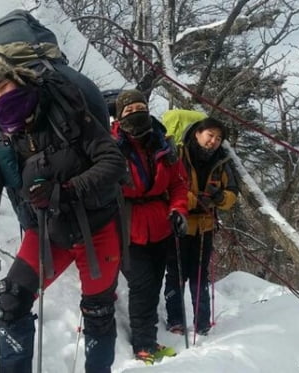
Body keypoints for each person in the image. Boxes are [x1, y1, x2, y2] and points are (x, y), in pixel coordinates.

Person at [0, 55, 126, 373]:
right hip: (47, 232)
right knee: (10, 305)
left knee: (98, 312)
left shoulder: (66, 113)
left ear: (19, 80)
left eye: (2, 86)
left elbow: (112, 161)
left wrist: (66, 190)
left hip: (96, 228)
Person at [110, 89, 189, 364]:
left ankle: (149, 338)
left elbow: (178, 183)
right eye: (129, 110)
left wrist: (179, 210)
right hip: (128, 226)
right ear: (119, 116)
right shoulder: (110, 145)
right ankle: (143, 344)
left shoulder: (163, 143)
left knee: (154, 284)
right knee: (142, 286)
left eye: (139, 107)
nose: (136, 113)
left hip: (162, 224)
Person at [163, 116, 238, 336]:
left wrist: (219, 197)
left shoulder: (222, 161)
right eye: (210, 135)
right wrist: (195, 201)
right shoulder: (178, 154)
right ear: (197, 133)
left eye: (218, 138)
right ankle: (175, 320)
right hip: (179, 224)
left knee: (199, 275)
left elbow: (233, 193)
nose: (213, 141)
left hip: (204, 227)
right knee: (175, 274)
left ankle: (202, 323)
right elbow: (168, 187)